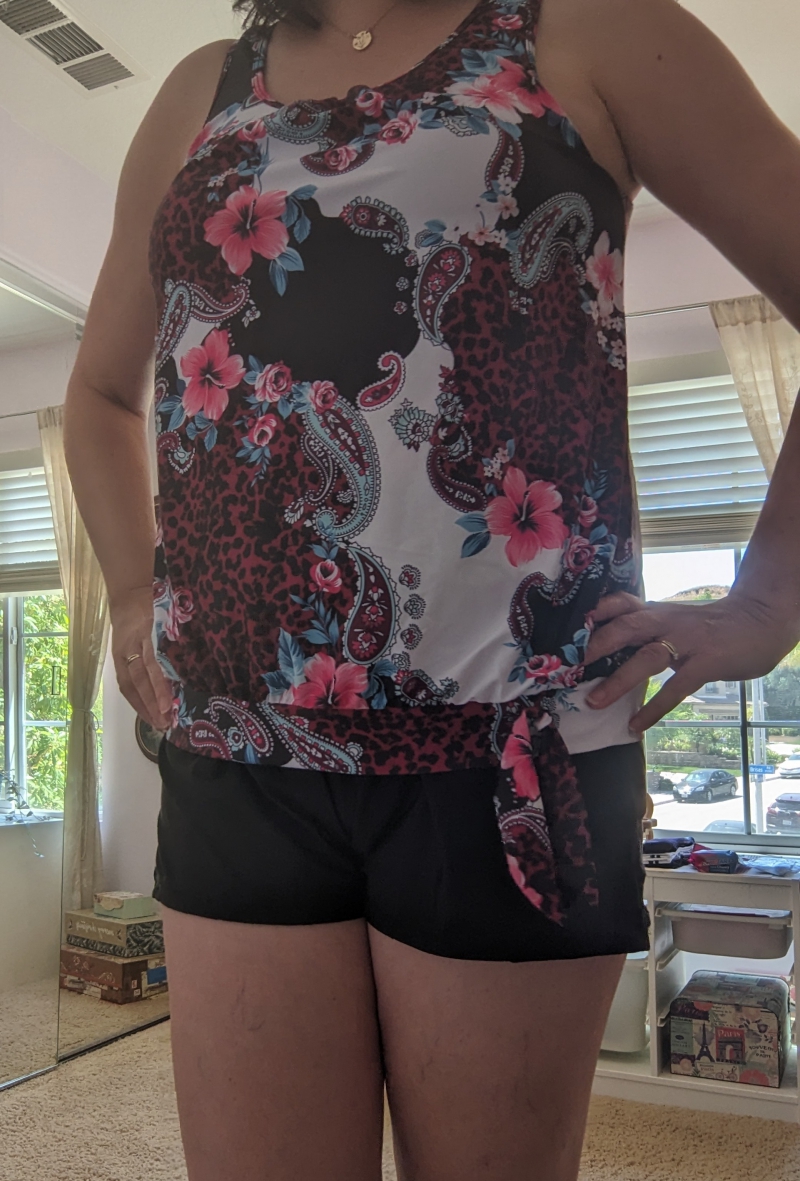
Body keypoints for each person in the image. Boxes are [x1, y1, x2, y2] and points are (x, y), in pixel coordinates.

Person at [63, 0, 800, 1176]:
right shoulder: (201, 90)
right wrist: (129, 587)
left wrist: (766, 602)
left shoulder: (590, 28)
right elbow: (101, 396)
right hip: (238, 751)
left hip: (518, 751)